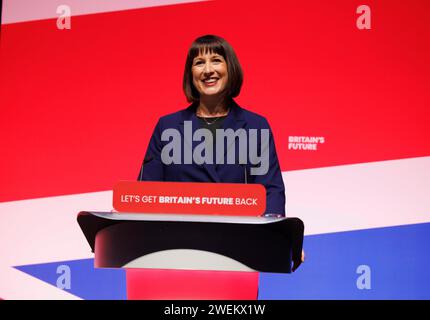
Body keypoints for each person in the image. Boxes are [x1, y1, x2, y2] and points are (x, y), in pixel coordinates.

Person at [138, 34, 286, 216]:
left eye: (216, 60)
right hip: (179, 238)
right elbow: (145, 195)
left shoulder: (256, 126)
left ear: (230, 68)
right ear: (190, 73)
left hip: (239, 239)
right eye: (199, 63)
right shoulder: (167, 126)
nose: (208, 70)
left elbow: (271, 194)